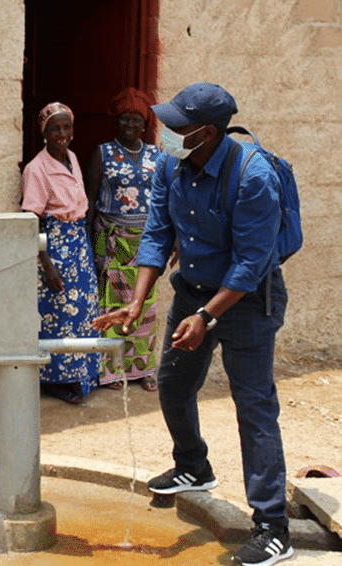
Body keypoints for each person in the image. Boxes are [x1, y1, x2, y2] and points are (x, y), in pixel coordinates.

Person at [92, 82, 293, 566]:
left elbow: (250, 262)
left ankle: (272, 527)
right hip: (194, 292)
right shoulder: (171, 165)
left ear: (206, 133)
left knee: (254, 405)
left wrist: (207, 317)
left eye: (178, 126)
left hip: (245, 301)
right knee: (173, 384)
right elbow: (158, 232)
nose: (167, 132)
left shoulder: (252, 176)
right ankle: (193, 466)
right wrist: (137, 302)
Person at [21, 102, 101, 405]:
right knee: (57, 315)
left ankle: (80, 373)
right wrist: (47, 265)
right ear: (44, 132)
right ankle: (55, 380)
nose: (62, 134)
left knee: (82, 313)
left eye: (67, 127)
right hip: (54, 248)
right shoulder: (37, 169)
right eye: (55, 128)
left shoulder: (73, 158)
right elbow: (32, 221)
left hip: (78, 244)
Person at [85, 87, 161, 392]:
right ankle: (113, 370)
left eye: (135, 121)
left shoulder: (157, 155)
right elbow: (91, 201)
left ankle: (143, 369)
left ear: (144, 125)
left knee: (146, 304)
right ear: (116, 123)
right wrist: (91, 246)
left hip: (145, 240)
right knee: (111, 302)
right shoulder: (102, 152)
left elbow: (165, 200)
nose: (130, 126)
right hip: (111, 236)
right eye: (124, 120)